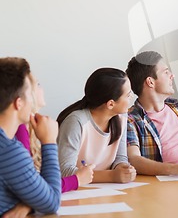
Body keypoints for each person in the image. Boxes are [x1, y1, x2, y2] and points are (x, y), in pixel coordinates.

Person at [0, 57, 60, 216]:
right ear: (18, 103)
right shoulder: (9, 151)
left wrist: (26, 204)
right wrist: (49, 142)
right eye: (30, 93)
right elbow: (52, 202)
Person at [15, 74, 94, 194]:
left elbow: (37, 185)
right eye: (38, 84)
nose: (42, 88)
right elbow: (39, 190)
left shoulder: (28, 127)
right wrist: (77, 179)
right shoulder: (20, 129)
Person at [57, 68, 136, 184]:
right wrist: (111, 176)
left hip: (106, 191)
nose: (131, 98)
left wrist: (124, 169)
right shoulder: (76, 121)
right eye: (128, 95)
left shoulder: (121, 118)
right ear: (110, 104)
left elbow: (120, 157)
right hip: (75, 193)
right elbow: (64, 171)